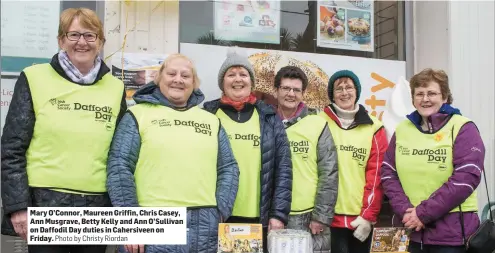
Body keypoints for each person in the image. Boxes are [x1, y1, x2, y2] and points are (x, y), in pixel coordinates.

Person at [0, 7, 126, 253]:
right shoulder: (34, 78)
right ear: (61, 40)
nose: (82, 42)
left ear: (100, 42)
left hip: (96, 206)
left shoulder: (115, 87)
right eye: (74, 35)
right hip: (44, 203)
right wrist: (18, 206)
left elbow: (119, 153)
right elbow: (12, 147)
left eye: (90, 36)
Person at [106, 53, 239, 253]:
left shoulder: (211, 120)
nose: (178, 79)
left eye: (185, 76)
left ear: (194, 83)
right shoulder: (137, 115)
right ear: (159, 78)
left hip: (203, 227)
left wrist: (220, 211)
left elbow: (228, 168)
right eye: (171, 73)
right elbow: (119, 167)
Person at [381, 68, 485, 253]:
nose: (425, 99)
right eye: (419, 93)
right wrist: (406, 211)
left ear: (444, 97)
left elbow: (466, 178)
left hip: (449, 236)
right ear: (412, 99)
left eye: (432, 93)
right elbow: (388, 173)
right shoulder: (403, 128)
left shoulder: (463, 128)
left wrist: (422, 214)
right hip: (404, 229)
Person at [203, 49, 292, 252]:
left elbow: (284, 169)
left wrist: (278, 214)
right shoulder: (207, 115)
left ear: (251, 82)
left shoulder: (269, 118)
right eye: (231, 74)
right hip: (217, 215)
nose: (238, 79)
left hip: (256, 216)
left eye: (243, 74)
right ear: (222, 82)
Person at [319, 70, 388, 253]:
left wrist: (368, 216)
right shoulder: (318, 122)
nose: (344, 92)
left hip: (360, 221)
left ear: (357, 91)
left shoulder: (375, 128)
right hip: (325, 220)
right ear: (332, 94)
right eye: (338, 88)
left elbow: (376, 176)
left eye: (349, 87)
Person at [273, 66, 338, 253]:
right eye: (286, 88)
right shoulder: (266, 121)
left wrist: (321, 216)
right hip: (275, 216)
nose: (291, 94)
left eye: (296, 90)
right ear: (276, 90)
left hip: (310, 218)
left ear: (303, 94)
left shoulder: (318, 124)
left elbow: (329, 173)